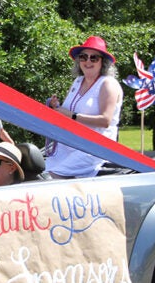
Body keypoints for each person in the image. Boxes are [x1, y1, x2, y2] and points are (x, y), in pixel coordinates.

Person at [44, 35, 123, 178]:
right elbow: (69, 110)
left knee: (55, 174)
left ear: (102, 62)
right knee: (42, 170)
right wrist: (56, 106)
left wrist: (72, 116)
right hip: (69, 143)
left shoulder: (107, 84)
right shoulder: (78, 81)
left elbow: (105, 120)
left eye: (94, 58)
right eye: (83, 57)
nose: (88, 61)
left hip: (95, 148)